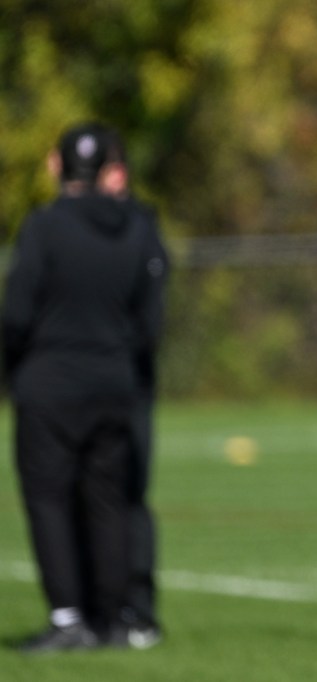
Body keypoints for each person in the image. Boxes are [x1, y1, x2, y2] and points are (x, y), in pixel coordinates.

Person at [2, 123, 168, 653]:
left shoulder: (45, 226)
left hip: (50, 384)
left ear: (58, 165)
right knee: (109, 503)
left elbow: (16, 313)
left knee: (48, 499)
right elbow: (150, 316)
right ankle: (113, 617)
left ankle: (68, 617)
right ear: (105, 169)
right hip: (115, 383)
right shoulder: (135, 227)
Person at [95, 128, 168, 647]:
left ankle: (138, 610)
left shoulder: (140, 225)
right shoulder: (73, 227)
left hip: (128, 382)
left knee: (130, 495)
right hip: (88, 385)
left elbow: (151, 310)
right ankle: (92, 610)